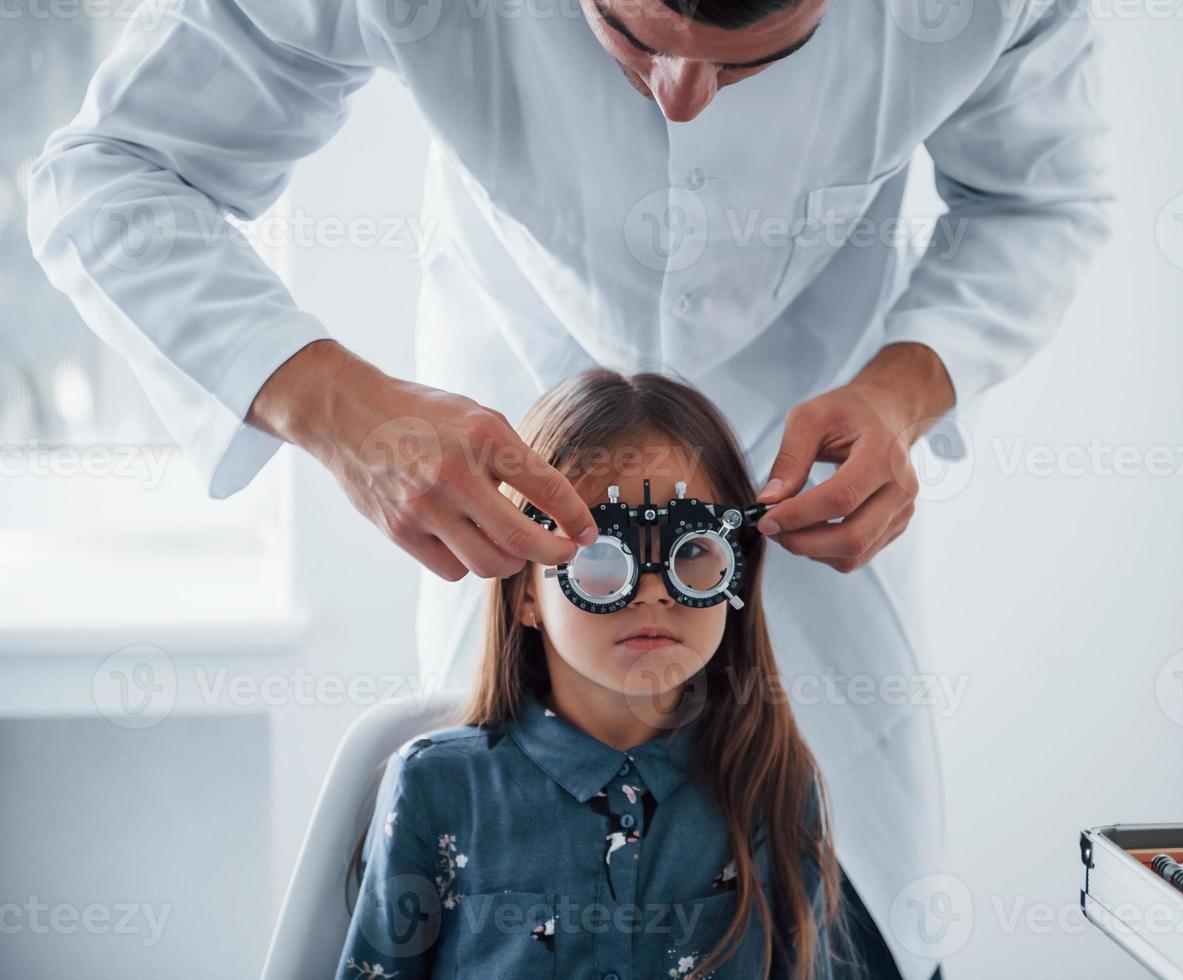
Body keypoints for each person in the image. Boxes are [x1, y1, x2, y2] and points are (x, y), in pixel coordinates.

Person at [27, 0, 1111, 975]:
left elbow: (1040, 198)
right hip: (504, 482)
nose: (683, 100)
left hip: (823, 599)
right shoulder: (439, 800)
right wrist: (334, 404)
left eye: (746, 67)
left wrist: (908, 384)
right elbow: (109, 172)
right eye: (633, 38)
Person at [337, 370, 846, 979]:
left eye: (692, 553)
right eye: (602, 554)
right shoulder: (439, 787)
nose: (654, 593)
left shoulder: (773, 786)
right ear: (526, 592)